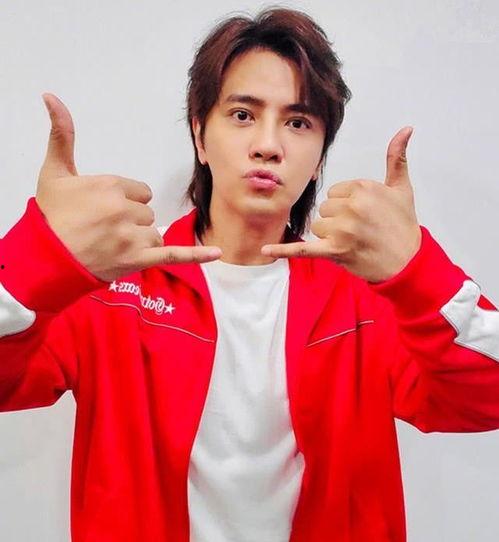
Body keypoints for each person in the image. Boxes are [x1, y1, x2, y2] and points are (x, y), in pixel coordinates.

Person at [1, 6, 499, 542]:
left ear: (319, 155)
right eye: (242, 115)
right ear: (200, 135)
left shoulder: (366, 297)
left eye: (298, 122)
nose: (268, 144)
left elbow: (486, 396)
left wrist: (415, 270)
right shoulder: (112, 286)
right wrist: (42, 259)